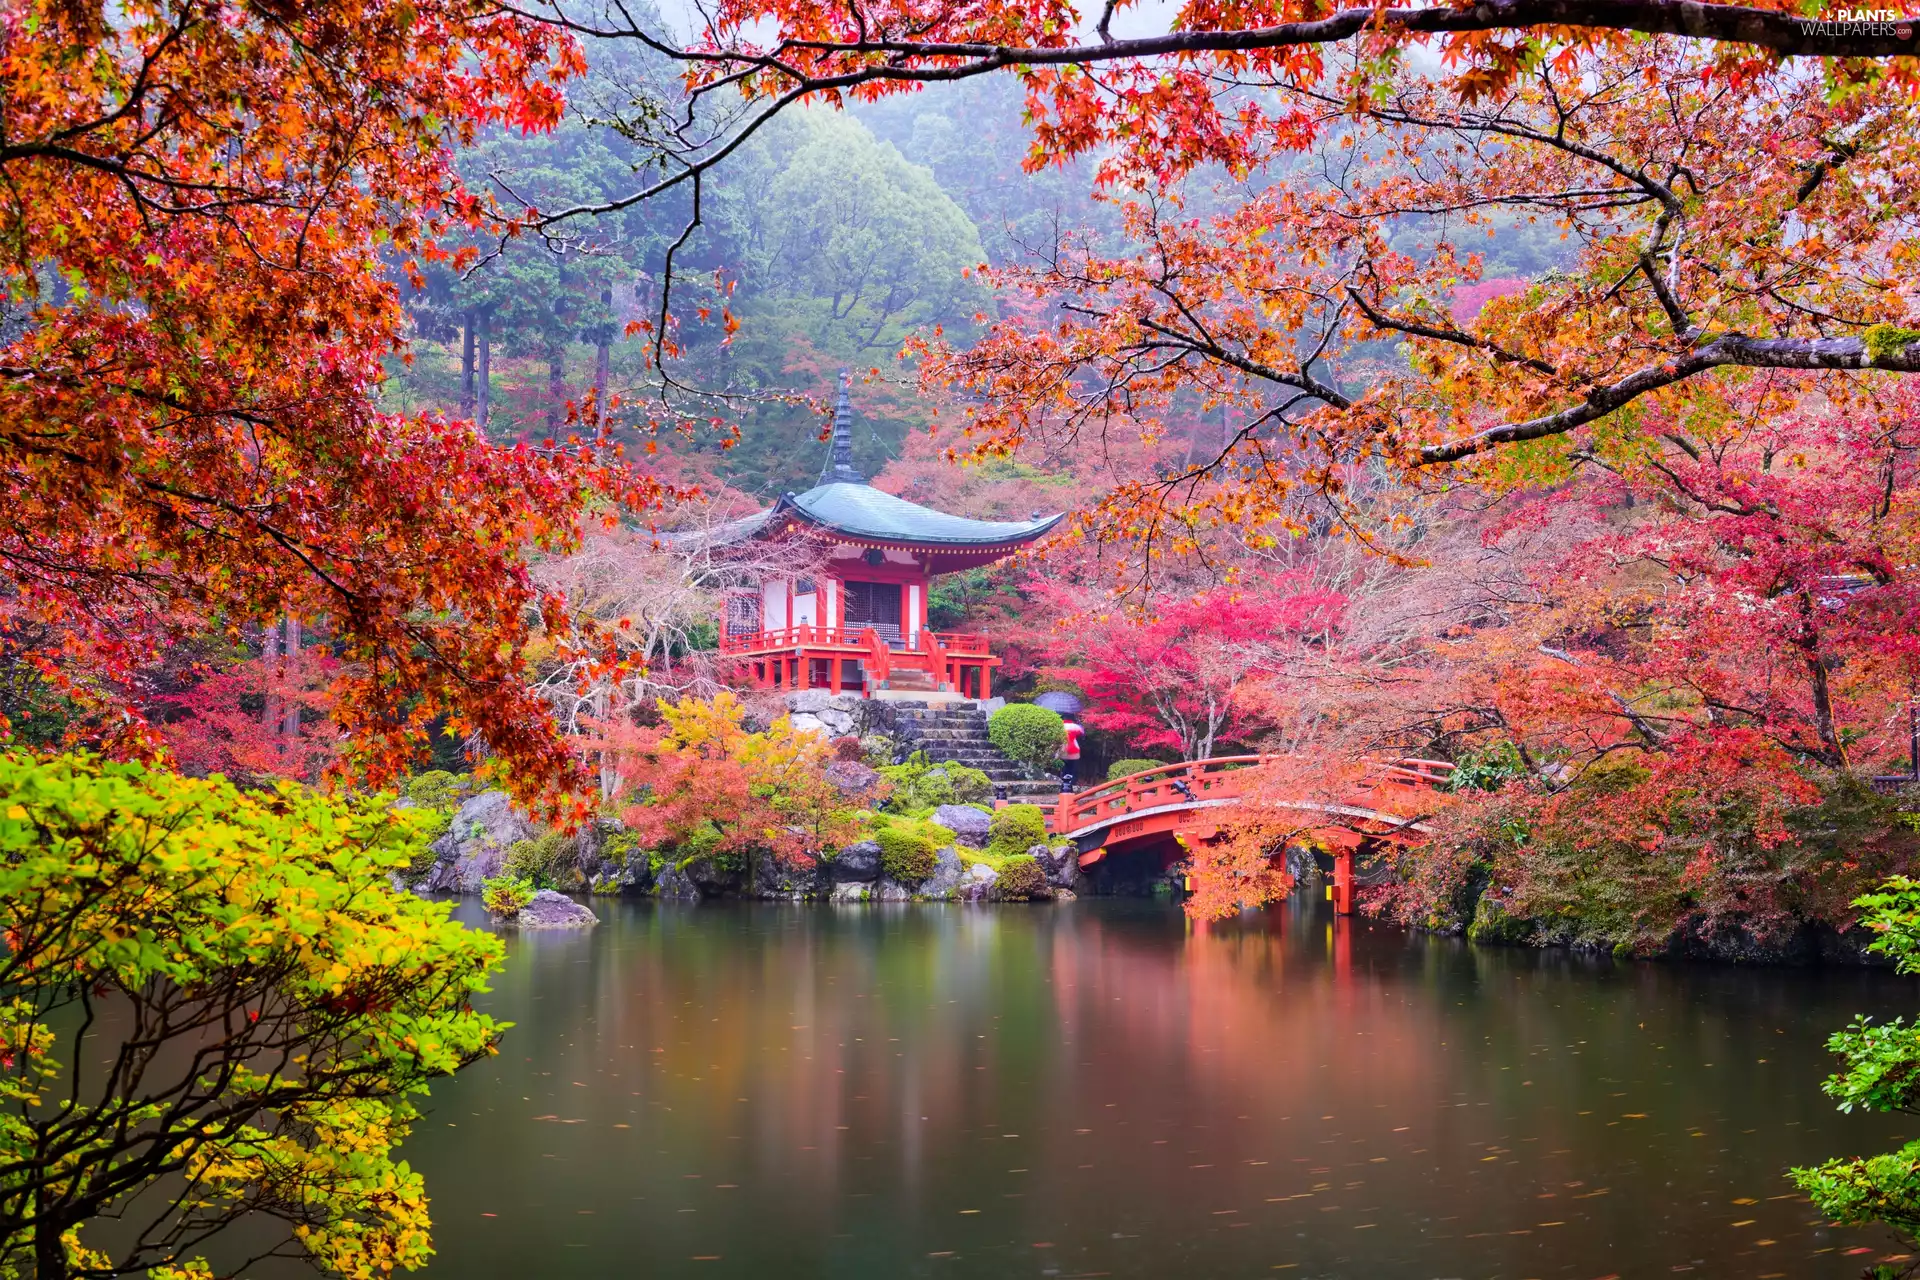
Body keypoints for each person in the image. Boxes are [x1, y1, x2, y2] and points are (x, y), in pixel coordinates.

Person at [1059, 714, 1084, 791]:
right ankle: (1071, 784)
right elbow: (1082, 735)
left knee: (1064, 767)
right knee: (1072, 767)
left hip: (1063, 748)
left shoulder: (1059, 726)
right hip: (1074, 749)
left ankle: (1063, 784)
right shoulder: (1076, 726)